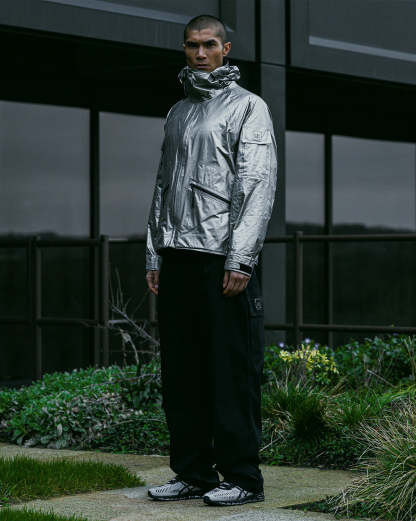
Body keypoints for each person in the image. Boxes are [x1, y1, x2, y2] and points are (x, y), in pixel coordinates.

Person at [145, 14, 278, 507]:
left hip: (221, 260)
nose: (199, 53)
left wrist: (241, 259)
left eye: (208, 45)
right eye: (191, 45)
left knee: (231, 372)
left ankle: (243, 478)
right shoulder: (178, 111)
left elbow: (257, 184)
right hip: (177, 258)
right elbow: (162, 185)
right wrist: (154, 251)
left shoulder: (248, 107)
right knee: (182, 374)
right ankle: (193, 472)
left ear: (225, 49)